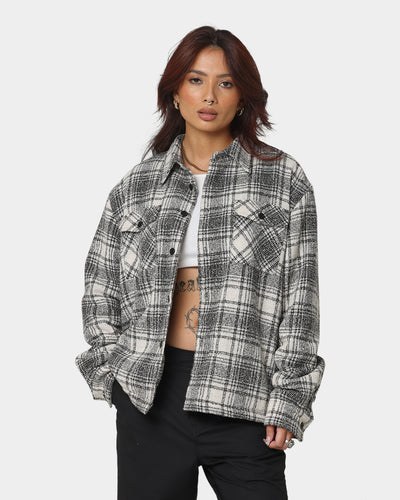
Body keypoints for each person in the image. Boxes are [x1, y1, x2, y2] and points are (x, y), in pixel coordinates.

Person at [75, 25, 325, 500]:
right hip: (151, 399)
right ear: (175, 92)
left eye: (225, 83)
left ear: (243, 97)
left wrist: (290, 396)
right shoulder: (136, 187)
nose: (209, 95)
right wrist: (113, 377)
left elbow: (301, 298)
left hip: (243, 394)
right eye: (195, 80)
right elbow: (100, 287)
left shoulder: (282, 179)